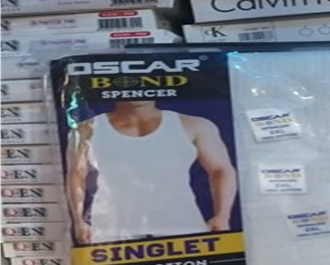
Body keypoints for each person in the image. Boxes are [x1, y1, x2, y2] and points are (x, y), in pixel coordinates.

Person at [66, 101, 237, 244]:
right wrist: (79, 221)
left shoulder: (195, 125)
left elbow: (220, 169)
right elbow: (77, 174)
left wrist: (222, 216)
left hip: (181, 223)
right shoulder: (85, 130)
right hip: (111, 227)